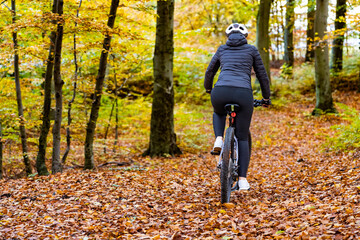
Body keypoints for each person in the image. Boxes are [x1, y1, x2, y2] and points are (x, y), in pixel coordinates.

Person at [204, 23, 271, 190]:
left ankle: (219, 138)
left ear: (228, 36)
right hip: (243, 94)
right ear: (245, 36)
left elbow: (210, 72)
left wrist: (208, 89)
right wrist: (266, 97)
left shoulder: (221, 49)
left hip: (220, 91)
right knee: (242, 137)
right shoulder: (252, 50)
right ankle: (242, 180)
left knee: (218, 112)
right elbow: (262, 75)